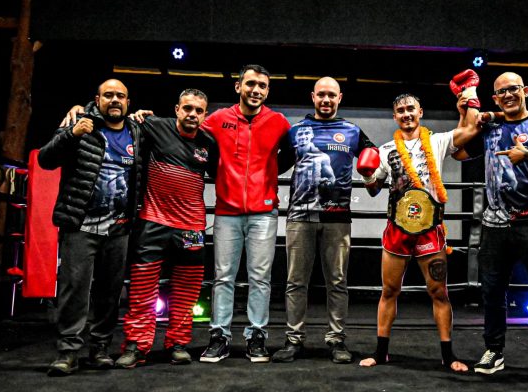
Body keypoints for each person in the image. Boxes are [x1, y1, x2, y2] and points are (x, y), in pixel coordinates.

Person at [453, 72, 528, 385]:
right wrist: (464, 113)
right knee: (492, 292)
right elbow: (459, 151)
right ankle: (494, 350)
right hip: (495, 224)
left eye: (513, 89)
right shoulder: (490, 128)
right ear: (494, 98)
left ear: (525, 91)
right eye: (501, 92)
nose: (507, 95)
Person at [359, 91, 479, 371]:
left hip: (429, 230)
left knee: (439, 291)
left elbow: (472, 128)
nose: (406, 114)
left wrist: (470, 97)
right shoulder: (387, 150)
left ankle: (448, 356)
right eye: (400, 111)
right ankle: (380, 352)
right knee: (389, 290)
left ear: (420, 112)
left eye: (410, 109)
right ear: (395, 116)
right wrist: (366, 174)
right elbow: (374, 189)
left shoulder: (437, 141)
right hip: (397, 230)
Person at [39, 79, 143, 376]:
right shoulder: (78, 123)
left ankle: (100, 348)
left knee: (110, 292)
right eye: (108, 95)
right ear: (96, 99)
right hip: (81, 225)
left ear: (128, 102)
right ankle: (68, 351)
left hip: (119, 228)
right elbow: (46, 159)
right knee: (75, 290)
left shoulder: (136, 131)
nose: (114, 100)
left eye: (120, 96)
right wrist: (71, 134)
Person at [272, 77, 379, 364]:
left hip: (338, 218)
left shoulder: (353, 131)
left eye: (331, 95)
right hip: (299, 217)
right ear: (313, 96)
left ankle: (337, 340)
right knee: (295, 281)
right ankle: (294, 340)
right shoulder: (296, 132)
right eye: (321, 95)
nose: (326, 100)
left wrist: (370, 175)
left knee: (338, 281)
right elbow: (273, 164)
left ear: (340, 98)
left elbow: (374, 156)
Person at [114, 89, 218, 368]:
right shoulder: (153, 126)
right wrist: (81, 108)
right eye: (187, 108)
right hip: (154, 221)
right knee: (142, 287)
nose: (192, 114)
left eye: (198, 110)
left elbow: (223, 175)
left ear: (205, 114)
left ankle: (178, 343)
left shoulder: (209, 142)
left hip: (192, 226)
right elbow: (115, 120)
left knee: (187, 289)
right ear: (176, 109)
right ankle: (137, 345)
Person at [199, 64, 291, 363]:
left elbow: (291, 153)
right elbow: (186, 132)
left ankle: (256, 337)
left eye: (262, 86)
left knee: (260, 278)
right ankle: (219, 337)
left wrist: (270, 178)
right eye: (251, 84)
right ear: (238, 87)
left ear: (267, 91)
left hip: (264, 212)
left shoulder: (278, 122)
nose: (256, 90)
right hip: (226, 211)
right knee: (223, 277)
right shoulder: (217, 119)